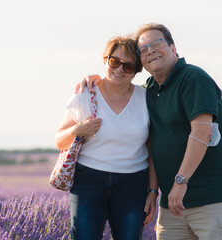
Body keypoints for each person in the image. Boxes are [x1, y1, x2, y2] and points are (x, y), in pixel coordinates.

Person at [78, 23, 222, 240]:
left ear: (173, 48)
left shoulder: (193, 78)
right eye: (143, 49)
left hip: (212, 199)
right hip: (173, 205)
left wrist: (180, 182)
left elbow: (202, 132)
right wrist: (98, 80)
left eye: (156, 44)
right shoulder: (150, 90)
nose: (150, 51)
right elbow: (151, 143)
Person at [55, 35, 158, 240]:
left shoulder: (145, 98)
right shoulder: (85, 94)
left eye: (128, 66)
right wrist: (77, 131)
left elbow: (151, 150)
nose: (120, 69)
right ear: (105, 60)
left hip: (133, 183)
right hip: (88, 180)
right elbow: (60, 140)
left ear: (136, 71)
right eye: (115, 61)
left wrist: (152, 191)